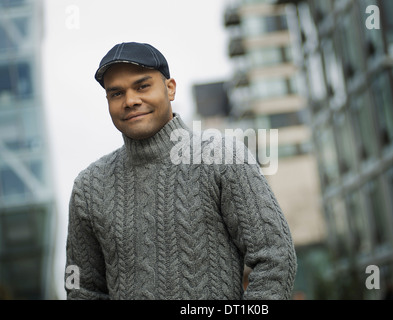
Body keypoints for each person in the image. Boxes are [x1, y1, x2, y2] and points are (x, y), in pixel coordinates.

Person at [65, 42, 297, 300]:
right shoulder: (88, 188)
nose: (130, 101)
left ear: (170, 88)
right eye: (116, 93)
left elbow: (275, 256)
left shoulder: (221, 156)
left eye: (142, 86)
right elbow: (79, 286)